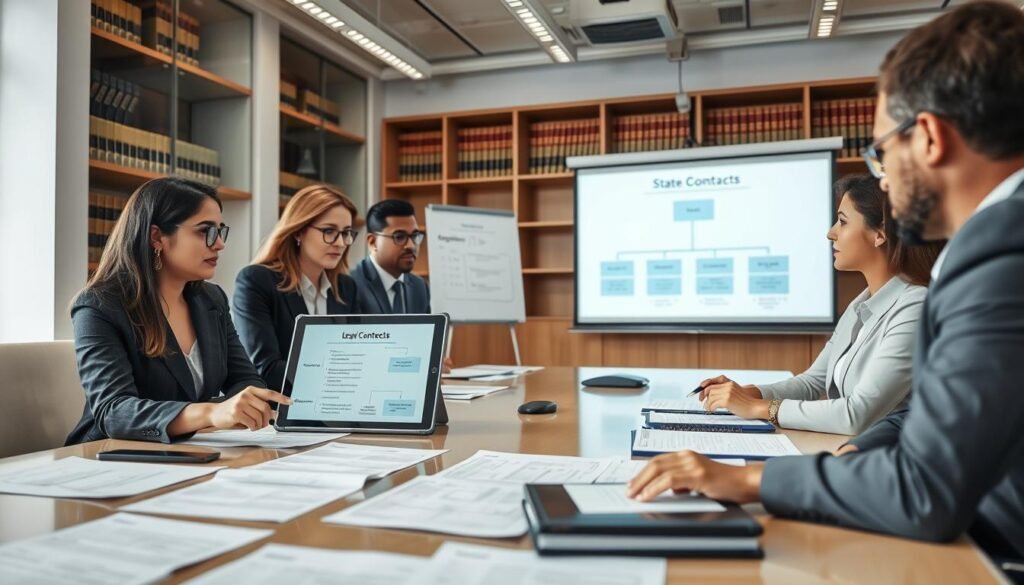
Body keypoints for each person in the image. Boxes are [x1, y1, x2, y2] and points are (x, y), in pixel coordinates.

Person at [627, 1, 1024, 574]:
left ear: (930, 138)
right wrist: (861, 450)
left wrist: (748, 479)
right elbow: (930, 415)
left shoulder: (1001, 252)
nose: (883, 179)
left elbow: (924, 492)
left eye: (882, 152)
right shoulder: (995, 242)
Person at [694, 175, 942, 435]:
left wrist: (758, 408)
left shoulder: (915, 306)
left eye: (843, 222)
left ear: (879, 234)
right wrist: (749, 394)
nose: (830, 233)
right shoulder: (861, 304)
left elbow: (856, 414)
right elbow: (813, 382)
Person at [66, 178, 290, 445]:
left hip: (190, 450)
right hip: (107, 454)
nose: (219, 244)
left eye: (221, 231)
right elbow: (114, 412)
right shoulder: (99, 305)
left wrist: (238, 407)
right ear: (157, 237)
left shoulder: (212, 299)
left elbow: (246, 381)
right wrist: (210, 412)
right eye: (205, 231)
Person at [233, 185, 360, 391]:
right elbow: (266, 369)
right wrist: (338, 377)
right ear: (298, 232)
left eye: (346, 233)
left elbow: (358, 356)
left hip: (340, 403)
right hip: (282, 406)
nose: (340, 243)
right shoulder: (256, 281)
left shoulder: (346, 287)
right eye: (329, 231)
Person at [351, 199, 431, 314]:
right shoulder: (350, 285)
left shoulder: (420, 287)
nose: (411, 245)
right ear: (373, 242)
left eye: (414, 236)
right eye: (399, 237)